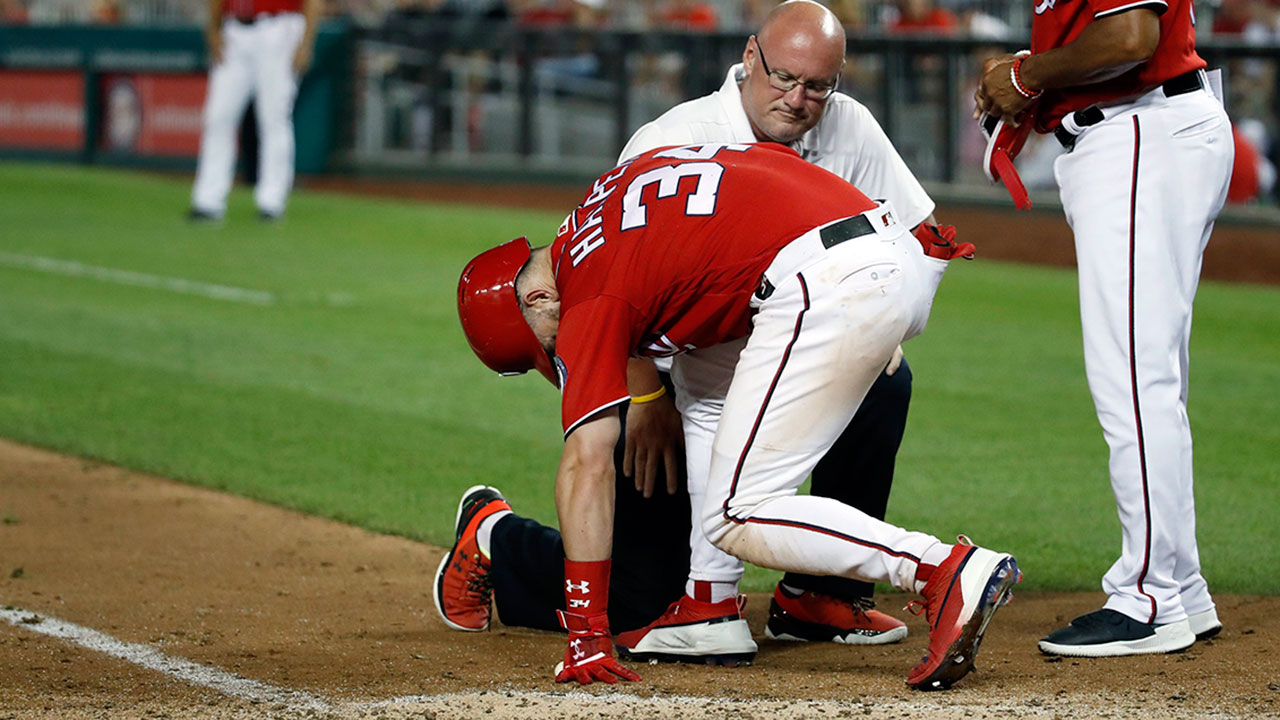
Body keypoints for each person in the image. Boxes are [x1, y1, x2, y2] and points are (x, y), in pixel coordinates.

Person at [435, 0, 940, 665]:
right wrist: (645, 401)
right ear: (750, 58)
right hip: (674, 376)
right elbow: (612, 280)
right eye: (783, 78)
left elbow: (923, 234)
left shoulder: (851, 128)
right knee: (640, 601)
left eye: (816, 86)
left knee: (886, 380)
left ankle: (820, 593)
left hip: (786, 341)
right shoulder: (671, 135)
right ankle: (498, 541)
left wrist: (885, 327)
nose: (796, 98)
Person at [454, 141, 1021, 689]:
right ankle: (709, 605)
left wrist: (586, 632)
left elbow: (587, 465)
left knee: (736, 513)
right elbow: (763, 168)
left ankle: (940, 568)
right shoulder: (603, 201)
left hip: (827, 280)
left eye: (542, 348)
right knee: (701, 382)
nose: (556, 355)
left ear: (536, 301)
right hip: (874, 248)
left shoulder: (587, 292)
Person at [975, 0, 1231, 657]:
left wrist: (1028, 75)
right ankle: (1181, 588)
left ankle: (1148, 600)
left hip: (1141, 129)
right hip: (1136, 133)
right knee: (1150, 380)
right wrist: (1027, 85)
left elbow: (1129, 36)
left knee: (1135, 382)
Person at [188, 0, 322, 222]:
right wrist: (212, 29)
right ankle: (208, 201)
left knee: (273, 118)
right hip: (234, 30)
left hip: (278, 28)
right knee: (218, 118)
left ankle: (272, 202)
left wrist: (306, 42)